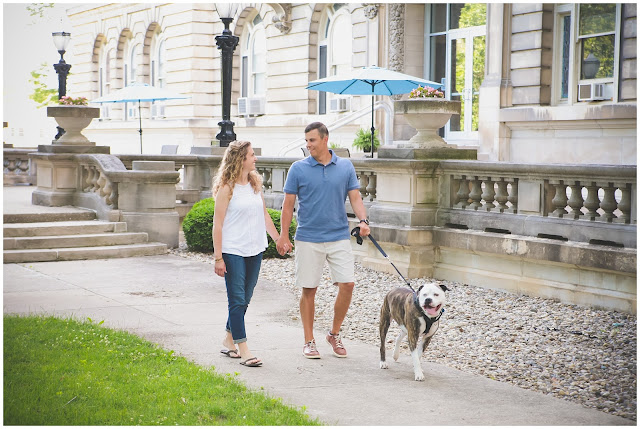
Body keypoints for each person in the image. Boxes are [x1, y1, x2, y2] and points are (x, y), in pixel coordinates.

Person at [276, 122, 370, 359]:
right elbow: (288, 206)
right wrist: (283, 235)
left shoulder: (345, 166)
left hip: (338, 235)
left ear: (325, 139)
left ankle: (333, 334)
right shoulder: (298, 169)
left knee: (347, 284)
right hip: (308, 238)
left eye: (312, 140)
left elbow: (355, 197)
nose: (308, 145)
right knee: (309, 289)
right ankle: (309, 341)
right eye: (306, 141)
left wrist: (364, 220)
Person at [212, 140, 281, 367]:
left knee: (246, 297)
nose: (255, 158)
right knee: (237, 299)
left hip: (255, 249)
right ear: (241, 159)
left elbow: (264, 215)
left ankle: (229, 339)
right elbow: (218, 224)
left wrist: (278, 239)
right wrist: (218, 257)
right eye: (252, 155)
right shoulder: (227, 188)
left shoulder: (254, 184)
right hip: (233, 250)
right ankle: (244, 350)